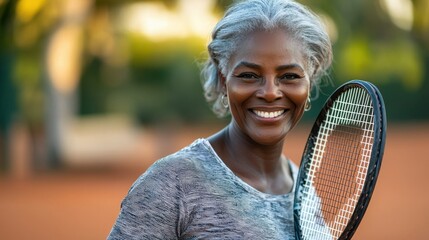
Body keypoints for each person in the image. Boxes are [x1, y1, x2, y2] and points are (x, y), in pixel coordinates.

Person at [107, 0, 332, 239]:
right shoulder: (173, 183)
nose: (269, 92)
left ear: (309, 82)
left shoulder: (305, 192)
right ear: (224, 81)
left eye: (289, 76)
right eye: (248, 75)